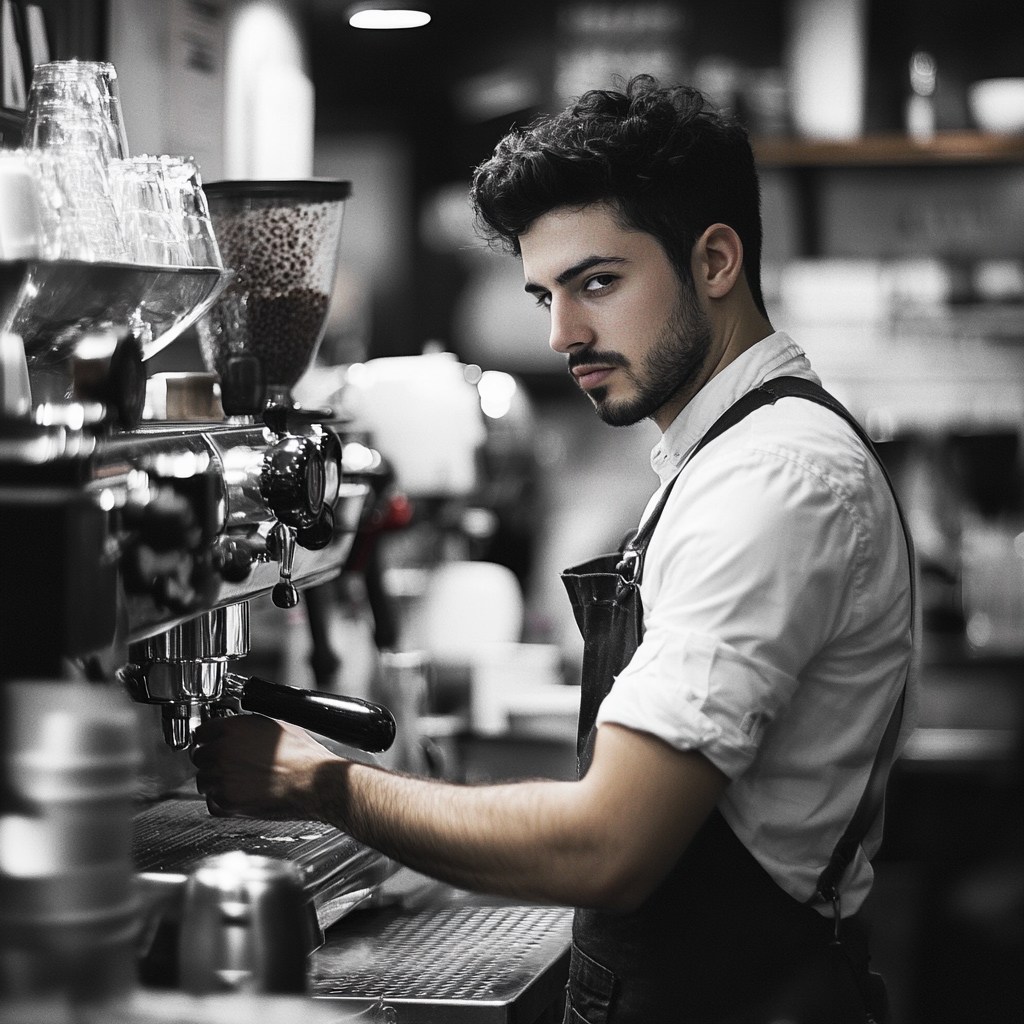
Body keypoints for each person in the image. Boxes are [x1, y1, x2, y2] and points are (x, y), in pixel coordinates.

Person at [191, 76, 916, 1023]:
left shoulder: (773, 481)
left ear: (717, 260)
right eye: (545, 293)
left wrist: (315, 780)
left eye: (598, 283)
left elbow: (607, 845)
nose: (562, 334)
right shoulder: (726, 457)